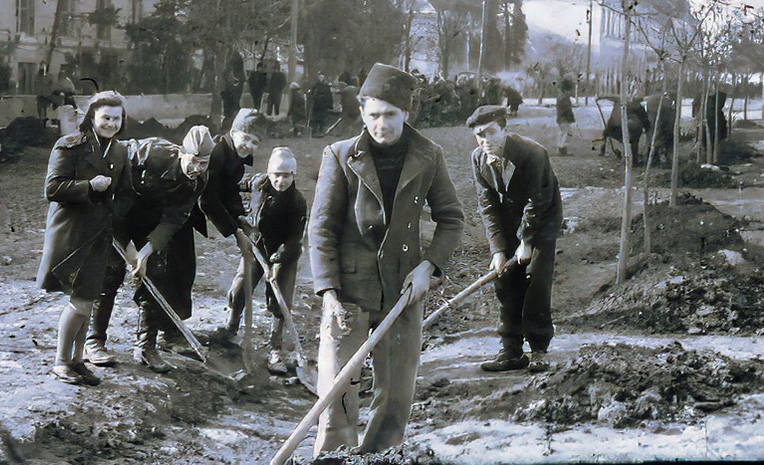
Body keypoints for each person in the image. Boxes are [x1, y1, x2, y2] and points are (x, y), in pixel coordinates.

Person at [310, 63, 464, 455]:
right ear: (362, 113)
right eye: (374, 114)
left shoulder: (429, 155)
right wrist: (328, 291)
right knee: (338, 387)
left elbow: (451, 218)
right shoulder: (340, 156)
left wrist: (429, 266)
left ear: (406, 114)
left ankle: (378, 456)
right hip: (349, 290)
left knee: (396, 392)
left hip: (403, 289)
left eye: (391, 115)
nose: (382, 124)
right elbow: (322, 228)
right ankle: (331, 457)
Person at [86, 126, 213, 374]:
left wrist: (146, 251)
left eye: (204, 163)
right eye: (193, 161)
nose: (197, 168)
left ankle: (146, 345)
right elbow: (112, 159)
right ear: (181, 152)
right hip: (119, 213)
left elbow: (174, 219)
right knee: (110, 274)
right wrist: (127, 246)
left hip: (151, 223)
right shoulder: (151, 151)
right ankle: (94, 341)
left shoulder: (199, 180)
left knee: (155, 274)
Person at [36, 92, 130, 387]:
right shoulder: (69, 145)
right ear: (92, 117)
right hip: (71, 233)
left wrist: (122, 226)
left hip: (100, 235)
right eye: (106, 118)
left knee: (87, 302)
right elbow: (52, 189)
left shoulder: (119, 151)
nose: (111, 124)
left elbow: (125, 194)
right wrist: (88, 186)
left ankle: (78, 361)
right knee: (79, 303)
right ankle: (61, 362)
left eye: (117, 118)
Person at [467, 105, 562, 374]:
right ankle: (511, 350)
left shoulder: (532, 153)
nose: (484, 141)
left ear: (505, 130)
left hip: (542, 221)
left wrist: (527, 241)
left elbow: (538, 201)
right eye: (478, 135)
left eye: (490, 133)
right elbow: (486, 206)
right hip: (510, 220)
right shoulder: (478, 159)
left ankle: (540, 349)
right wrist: (498, 249)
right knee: (505, 279)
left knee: (535, 280)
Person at [225, 147, 308, 374]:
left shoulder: (297, 202)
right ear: (269, 173)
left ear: (294, 176)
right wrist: (237, 214)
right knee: (242, 286)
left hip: (285, 253)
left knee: (280, 299)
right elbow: (231, 188)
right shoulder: (258, 183)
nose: (280, 180)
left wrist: (277, 262)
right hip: (256, 246)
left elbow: (294, 238)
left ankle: (275, 346)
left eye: (286, 175)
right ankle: (231, 328)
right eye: (276, 175)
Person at [203, 109, 263, 343]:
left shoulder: (237, 158)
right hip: (180, 204)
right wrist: (235, 232)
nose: (248, 145)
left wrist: (240, 217)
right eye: (245, 138)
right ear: (233, 132)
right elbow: (208, 199)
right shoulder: (217, 153)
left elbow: (229, 191)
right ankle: (168, 334)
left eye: (255, 142)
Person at [555, 83, 576, 156]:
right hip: (564, 118)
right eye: (569, 91)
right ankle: (562, 148)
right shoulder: (565, 98)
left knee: (562, 133)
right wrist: (571, 119)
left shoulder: (560, 98)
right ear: (566, 91)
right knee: (566, 133)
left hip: (560, 118)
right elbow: (567, 110)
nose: (570, 92)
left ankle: (560, 148)